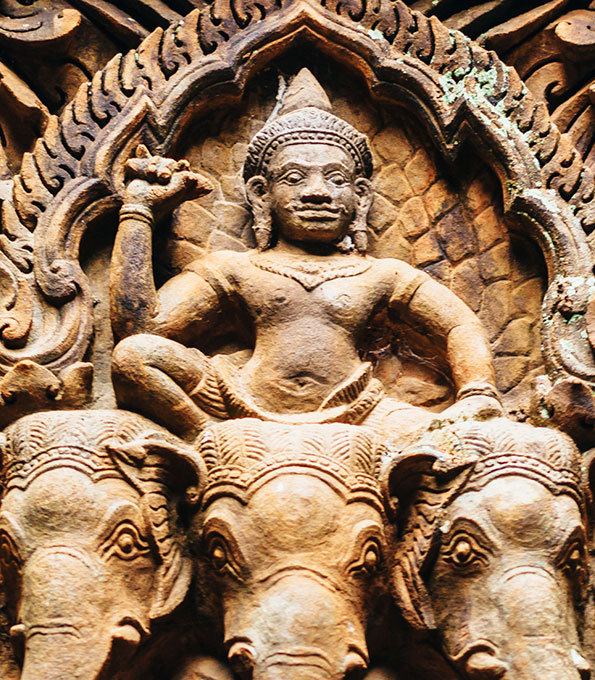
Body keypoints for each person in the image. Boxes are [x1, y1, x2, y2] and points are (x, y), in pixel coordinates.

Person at [109, 69, 501, 440]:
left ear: (361, 196)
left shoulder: (382, 274)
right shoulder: (235, 267)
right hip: (236, 399)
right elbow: (142, 327)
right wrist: (139, 211)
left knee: (492, 441)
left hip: (360, 406)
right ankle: (205, 437)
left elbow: (458, 324)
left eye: (336, 179)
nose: (317, 192)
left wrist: (477, 392)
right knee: (134, 356)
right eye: (294, 178)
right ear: (261, 194)